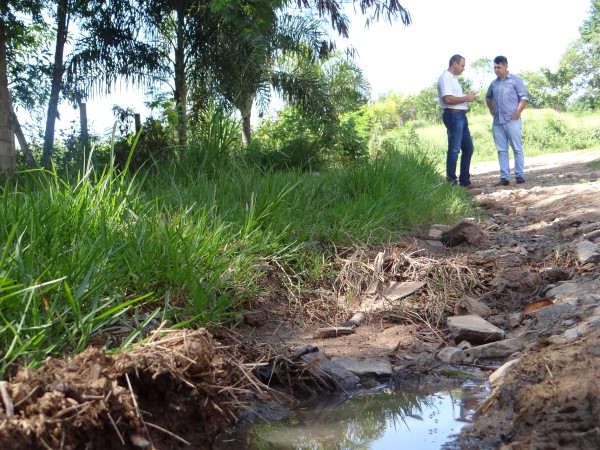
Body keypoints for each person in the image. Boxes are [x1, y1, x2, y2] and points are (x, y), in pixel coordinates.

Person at [485, 55, 529, 186]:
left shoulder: (515, 81)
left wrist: (517, 113)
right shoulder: (493, 84)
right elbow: (488, 98)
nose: (496, 70)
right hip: (498, 122)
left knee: (517, 148)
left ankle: (520, 175)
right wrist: (492, 111)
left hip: (512, 120)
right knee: (502, 150)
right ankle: (504, 177)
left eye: (499, 67)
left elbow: (524, 98)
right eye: (494, 67)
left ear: (506, 66)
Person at [437, 54, 478, 188]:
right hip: (453, 116)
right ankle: (451, 182)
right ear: (455, 64)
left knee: (468, 148)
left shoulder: (454, 79)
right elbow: (447, 99)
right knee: (454, 149)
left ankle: (465, 181)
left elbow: (455, 98)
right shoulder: (445, 78)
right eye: (462, 65)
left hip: (460, 117)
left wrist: (467, 98)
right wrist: (466, 98)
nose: (464, 68)